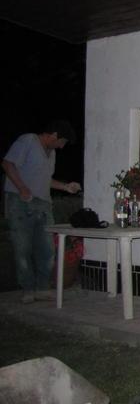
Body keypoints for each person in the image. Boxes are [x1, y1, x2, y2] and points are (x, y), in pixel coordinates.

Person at [2, 120, 82, 302]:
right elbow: (8, 164)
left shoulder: (51, 153)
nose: (62, 147)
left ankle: (42, 288)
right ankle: (27, 289)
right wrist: (22, 188)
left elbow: (45, 180)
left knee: (46, 248)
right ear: (54, 135)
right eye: (62, 142)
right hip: (21, 203)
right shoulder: (28, 141)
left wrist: (66, 187)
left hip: (44, 204)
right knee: (23, 247)